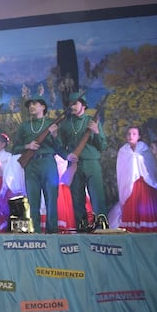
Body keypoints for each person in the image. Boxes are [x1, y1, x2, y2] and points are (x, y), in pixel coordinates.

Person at [57, 92, 106, 230]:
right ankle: (82, 229)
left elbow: (102, 145)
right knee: (77, 200)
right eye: (70, 103)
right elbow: (59, 147)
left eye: (75, 103)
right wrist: (67, 156)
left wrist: (96, 131)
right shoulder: (66, 125)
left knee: (98, 198)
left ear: (83, 105)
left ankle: (103, 228)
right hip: (74, 166)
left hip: (92, 164)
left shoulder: (92, 121)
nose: (71, 106)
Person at [12, 96, 60, 233]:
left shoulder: (52, 124)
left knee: (51, 199)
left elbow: (60, 148)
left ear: (43, 107)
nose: (31, 107)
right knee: (33, 201)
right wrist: (28, 145)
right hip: (31, 164)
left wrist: (55, 134)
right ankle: (36, 232)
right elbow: (15, 148)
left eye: (35, 104)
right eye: (30, 105)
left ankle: (52, 232)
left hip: (48, 162)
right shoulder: (24, 126)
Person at [117, 126, 157, 232]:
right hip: (130, 186)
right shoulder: (123, 151)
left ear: (139, 136)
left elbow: (152, 167)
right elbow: (121, 171)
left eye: (134, 134)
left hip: (146, 185)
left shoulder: (144, 149)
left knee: (146, 209)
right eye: (129, 134)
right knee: (132, 210)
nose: (131, 136)